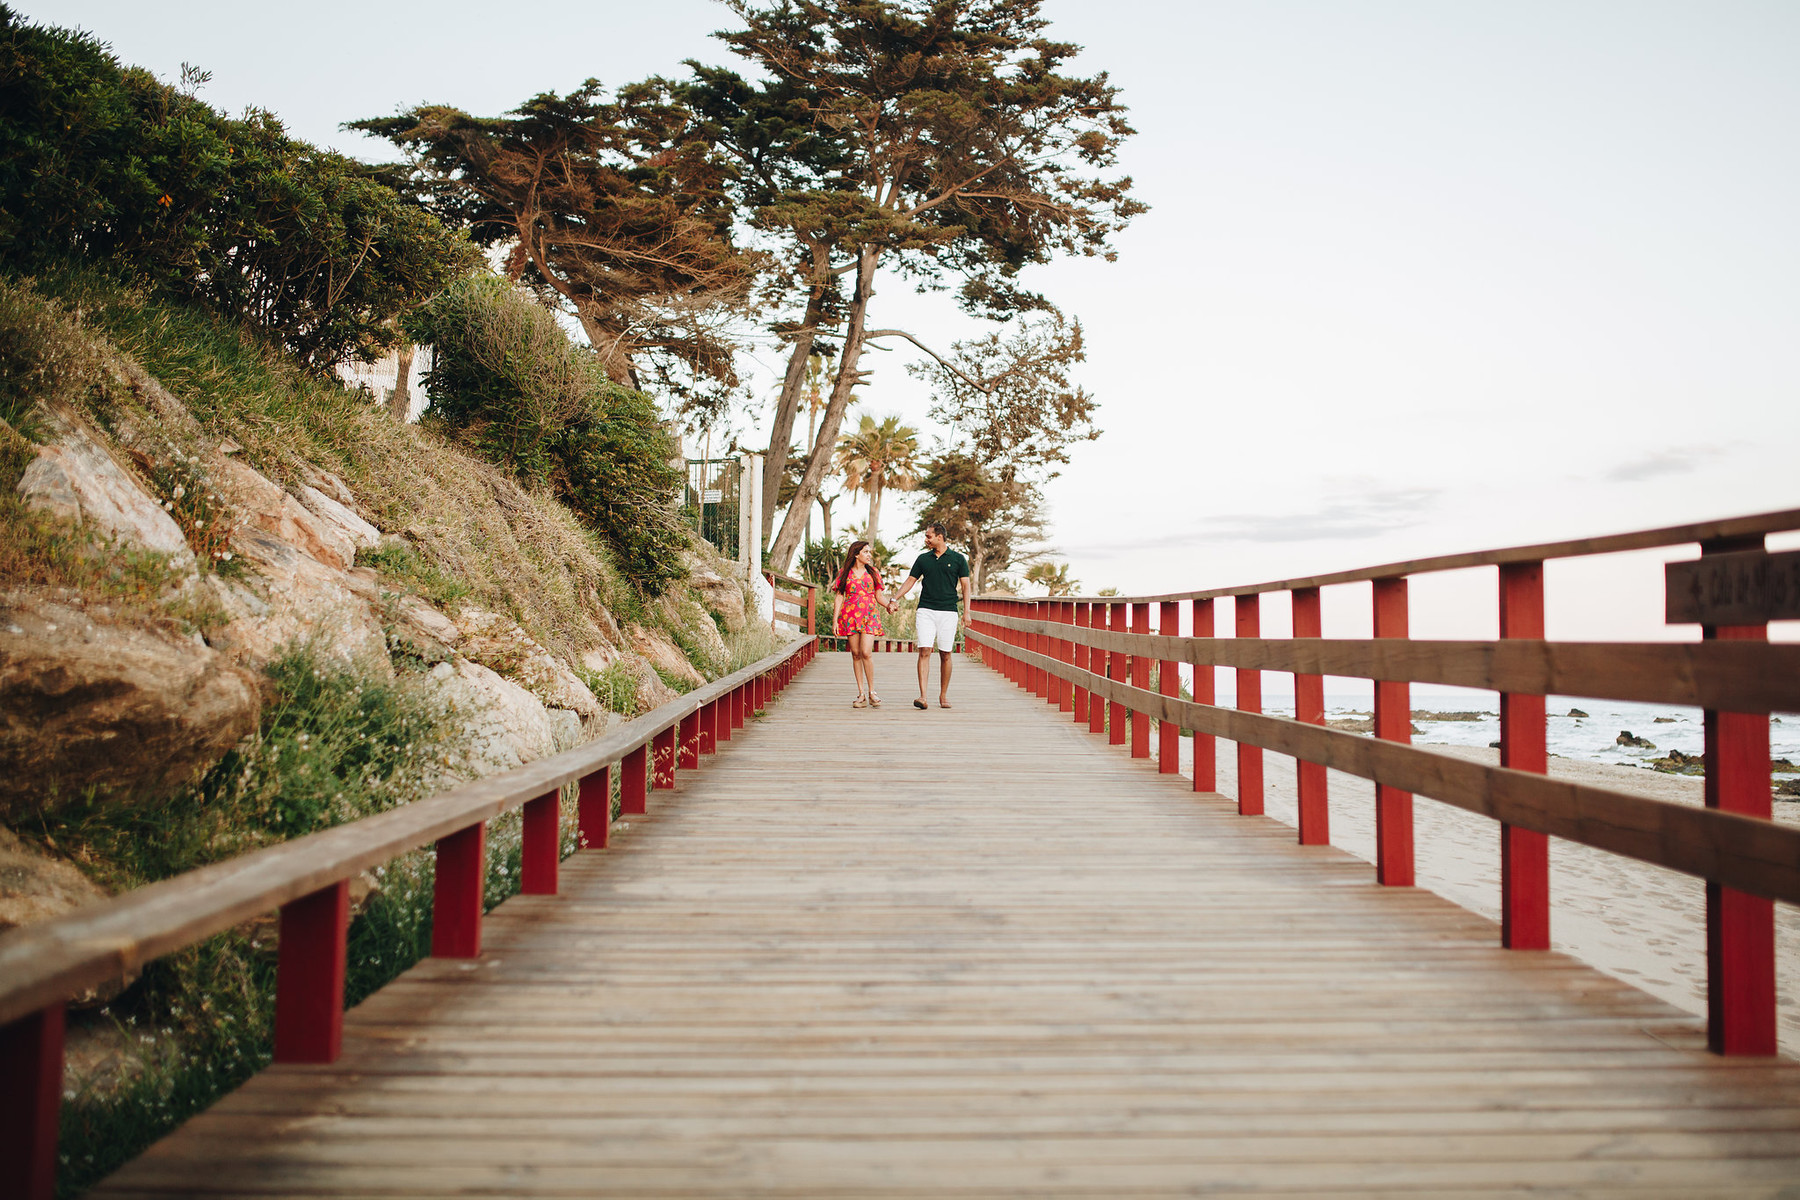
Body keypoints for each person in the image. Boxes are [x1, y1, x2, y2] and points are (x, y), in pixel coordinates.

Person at [889, 523, 971, 710]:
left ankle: (943, 695)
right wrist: (894, 598)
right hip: (926, 610)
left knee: (946, 653)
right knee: (924, 651)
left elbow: (966, 587)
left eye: (928, 536)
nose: (926, 540)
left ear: (939, 537)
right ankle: (923, 696)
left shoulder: (958, 559)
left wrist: (966, 612)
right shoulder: (923, 559)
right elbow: (910, 581)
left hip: (949, 611)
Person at [831, 539, 894, 708]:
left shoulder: (873, 572)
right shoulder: (845, 573)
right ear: (856, 554)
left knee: (866, 652)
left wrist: (889, 605)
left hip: (869, 615)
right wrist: (835, 620)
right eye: (866, 552)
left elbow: (878, 596)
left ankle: (872, 692)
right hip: (850, 616)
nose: (869, 555)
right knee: (855, 653)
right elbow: (839, 596)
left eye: (869, 552)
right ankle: (861, 694)